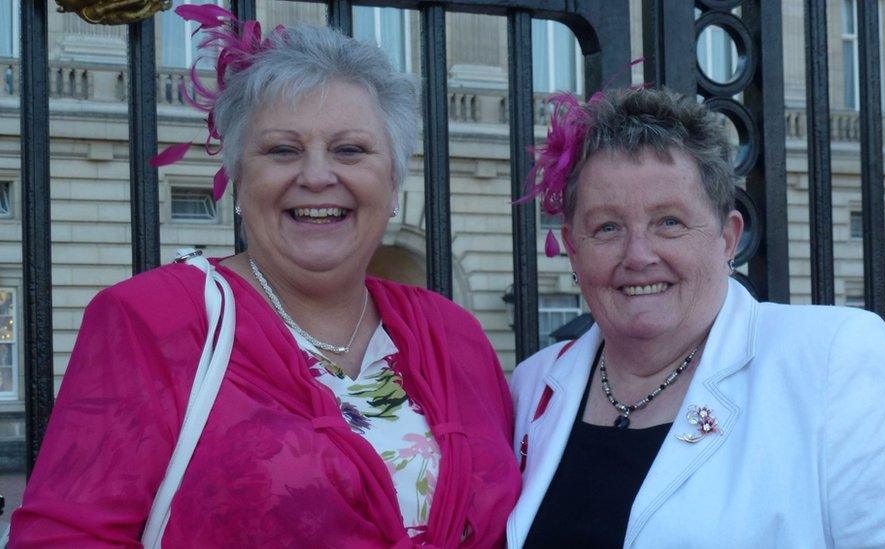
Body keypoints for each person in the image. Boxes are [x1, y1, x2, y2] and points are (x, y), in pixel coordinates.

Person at [10, 6, 518, 547]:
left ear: (392, 183)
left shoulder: (452, 333)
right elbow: (65, 536)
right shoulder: (155, 322)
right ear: (238, 178)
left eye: (350, 150)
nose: (318, 176)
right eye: (283, 150)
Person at [507, 86, 885, 548]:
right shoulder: (532, 387)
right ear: (572, 248)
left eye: (668, 221)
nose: (638, 255)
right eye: (607, 227)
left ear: (727, 238)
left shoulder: (832, 361)